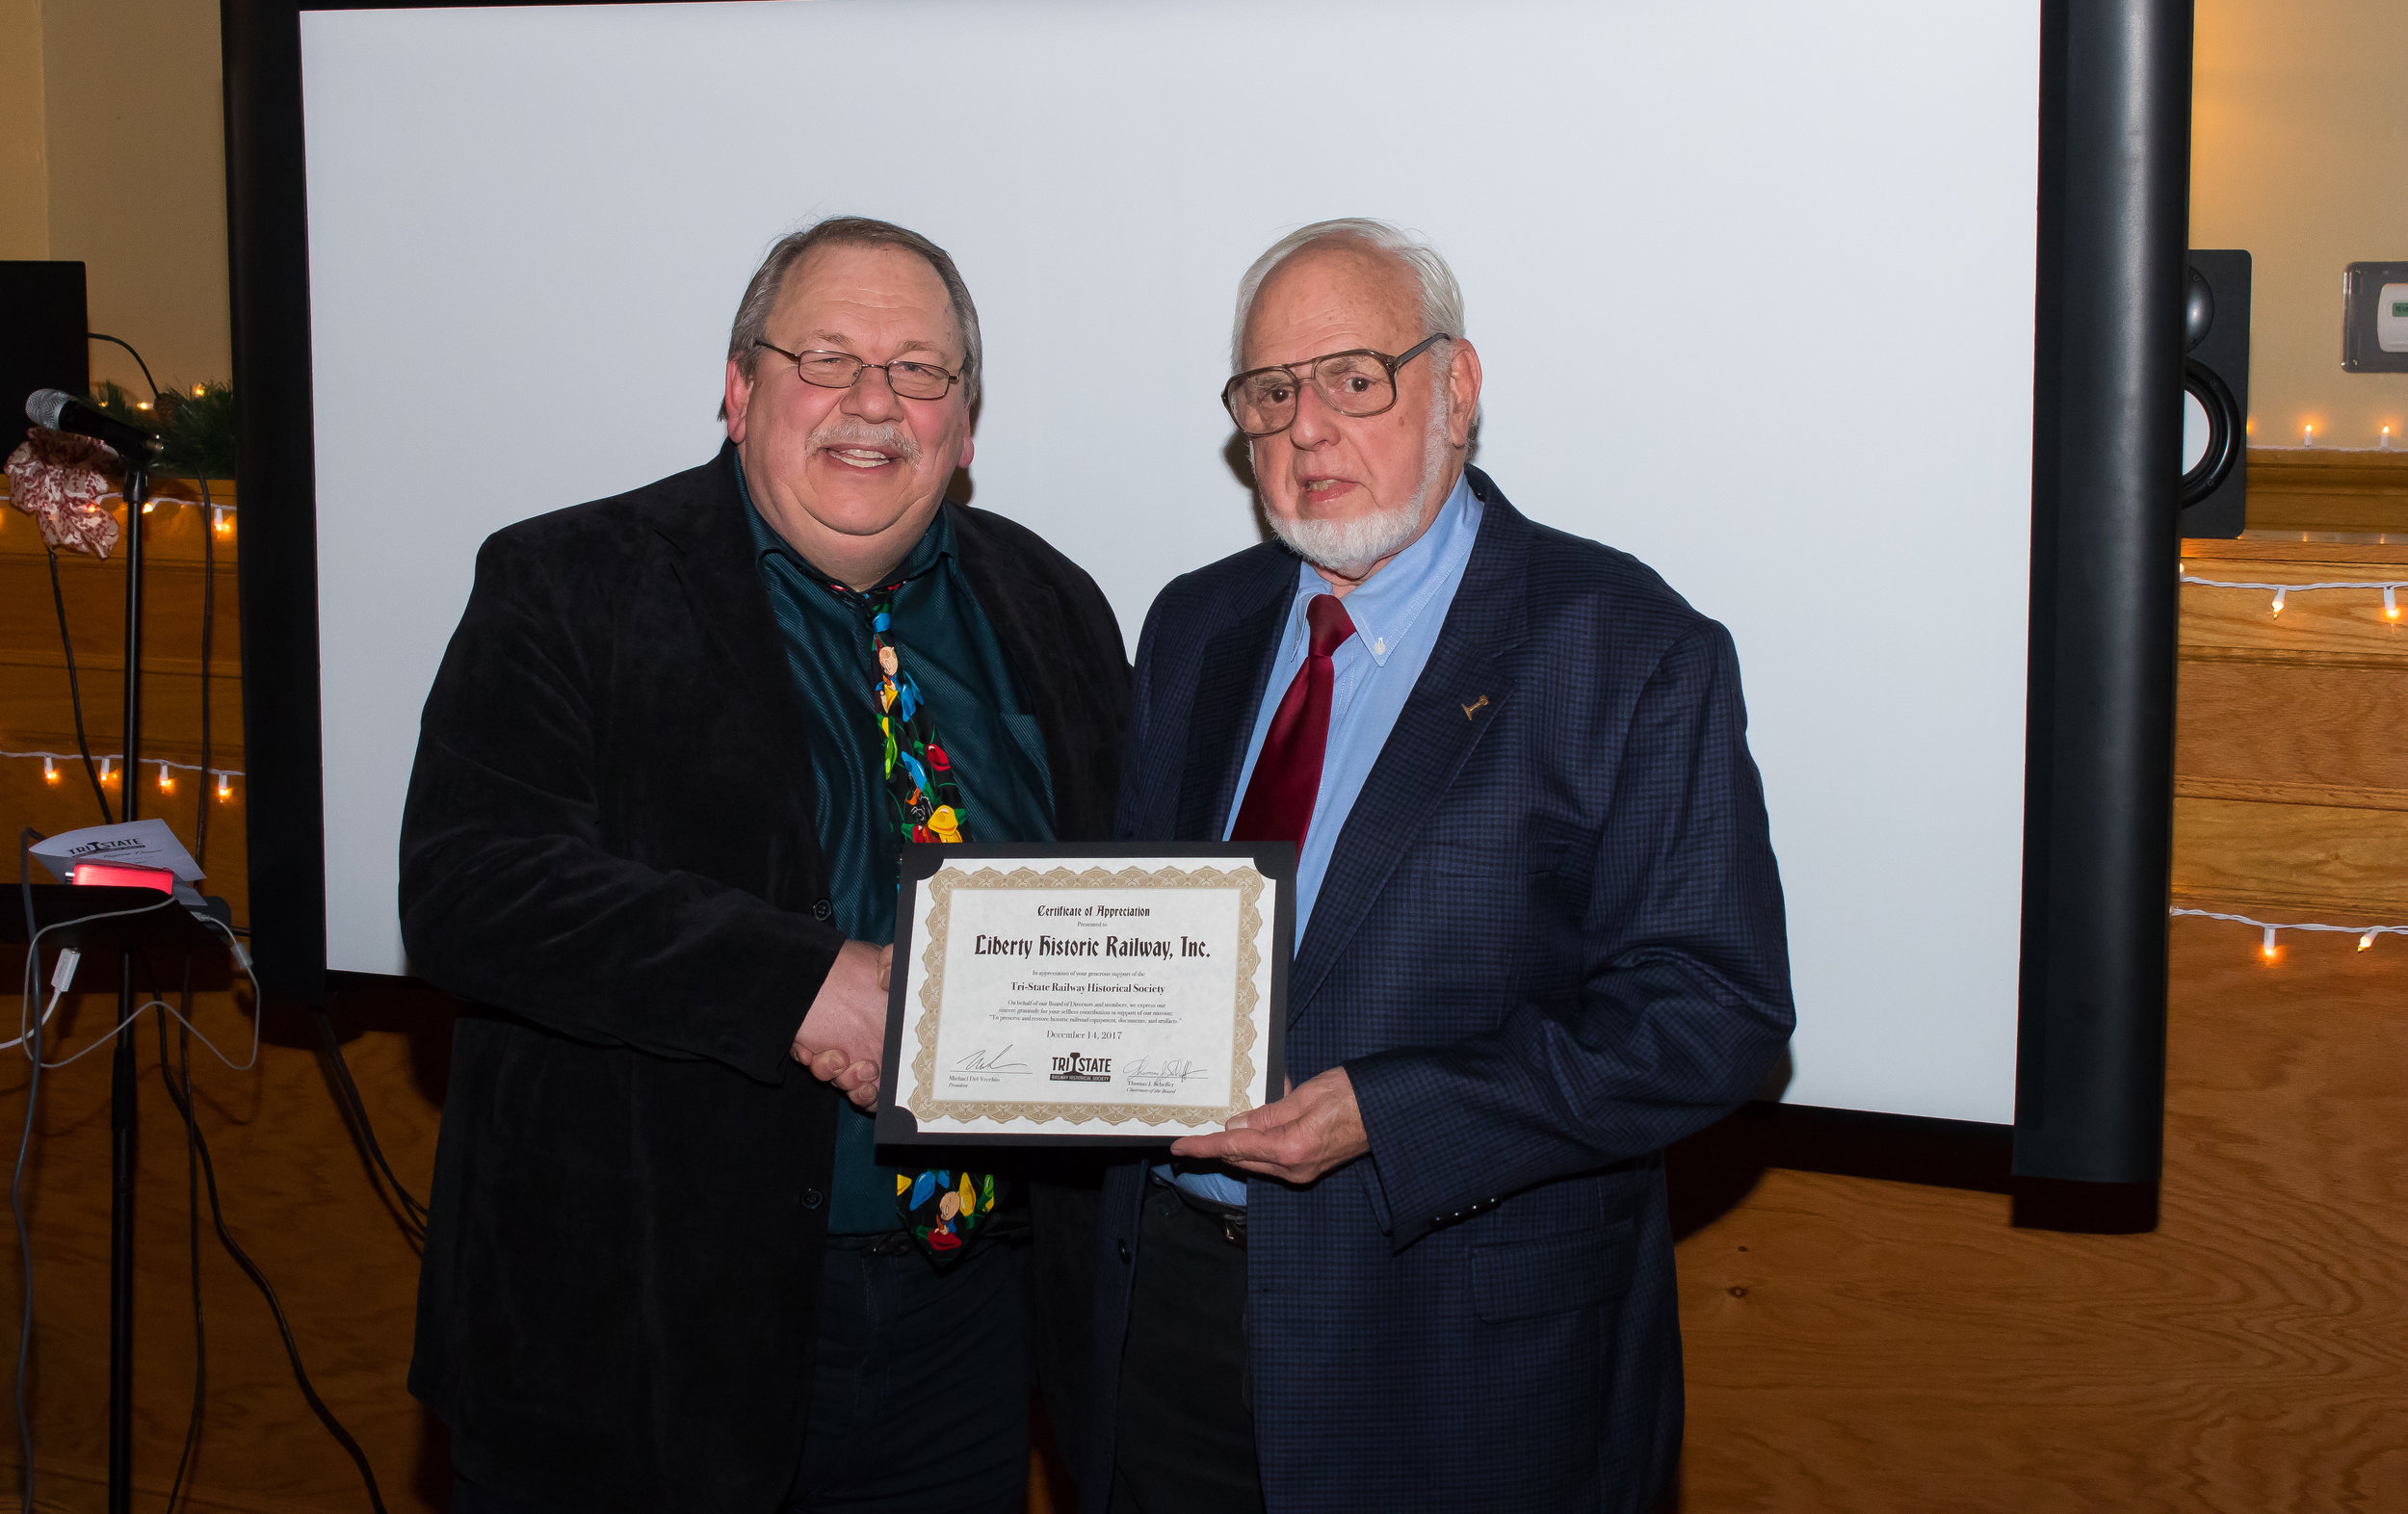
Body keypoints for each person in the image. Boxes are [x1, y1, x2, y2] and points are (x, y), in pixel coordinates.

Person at [401, 217, 1127, 1512]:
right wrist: (808, 983)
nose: (872, 403)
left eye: (920, 371)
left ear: (963, 424)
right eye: (826, 358)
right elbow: (473, 886)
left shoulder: (1052, 604)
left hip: (968, 1325)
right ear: (741, 389)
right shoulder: (573, 583)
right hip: (642, 1338)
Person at [1085, 219, 1793, 1513]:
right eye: (1270, 393)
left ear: (1456, 391)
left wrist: (1393, 1113)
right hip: (1168, 1331)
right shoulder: (1198, 626)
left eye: (1357, 378)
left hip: (1456, 1363)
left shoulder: (1628, 649)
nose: (1307, 429)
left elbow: (1714, 1015)